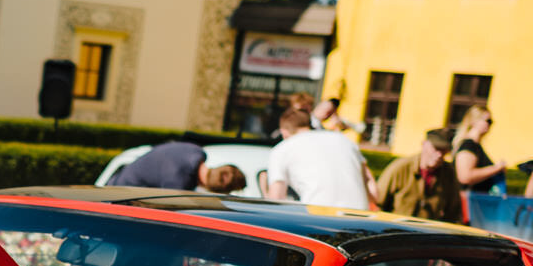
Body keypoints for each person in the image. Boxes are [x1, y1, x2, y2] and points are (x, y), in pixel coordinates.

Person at [264, 106, 376, 210]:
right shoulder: (345, 140)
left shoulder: (282, 148)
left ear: (283, 132)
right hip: (359, 214)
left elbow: (276, 200)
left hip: (318, 214)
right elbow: (370, 185)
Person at [373, 128, 462, 222]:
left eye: (444, 150)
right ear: (424, 144)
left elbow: (453, 212)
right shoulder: (400, 168)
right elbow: (377, 203)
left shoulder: (448, 173)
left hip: (427, 229)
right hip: (396, 227)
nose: (439, 154)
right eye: (436, 148)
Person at [102, 140, 247, 194]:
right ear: (216, 190)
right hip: (116, 197)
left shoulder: (196, 151)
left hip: (114, 184)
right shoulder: (179, 183)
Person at [452, 105, 507, 196]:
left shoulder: (475, 146)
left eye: (491, 122)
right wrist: (496, 169)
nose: (490, 124)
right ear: (474, 121)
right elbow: (465, 176)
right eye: (488, 121)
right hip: (468, 201)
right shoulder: (468, 145)